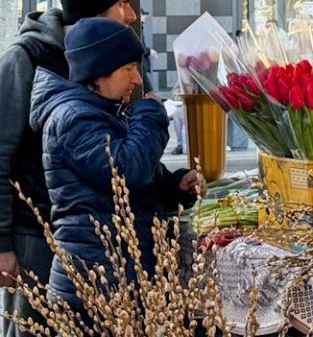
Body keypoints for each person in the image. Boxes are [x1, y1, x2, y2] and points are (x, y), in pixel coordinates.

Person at [28, 18, 203, 314]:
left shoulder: (103, 110)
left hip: (117, 277)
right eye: (128, 69)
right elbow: (127, 171)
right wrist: (151, 115)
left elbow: (132, 186)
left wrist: (174, 185)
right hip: (95, 285)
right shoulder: (73, 118)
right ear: (97, 75)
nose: (136, 79)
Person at [0, 0, 137, 336]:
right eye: (123, 3)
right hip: (34, 236)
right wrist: (2, 243)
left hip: (84, 238)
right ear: (96, 7)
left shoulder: (110, 58)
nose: (132, 14)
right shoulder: (26, 57)